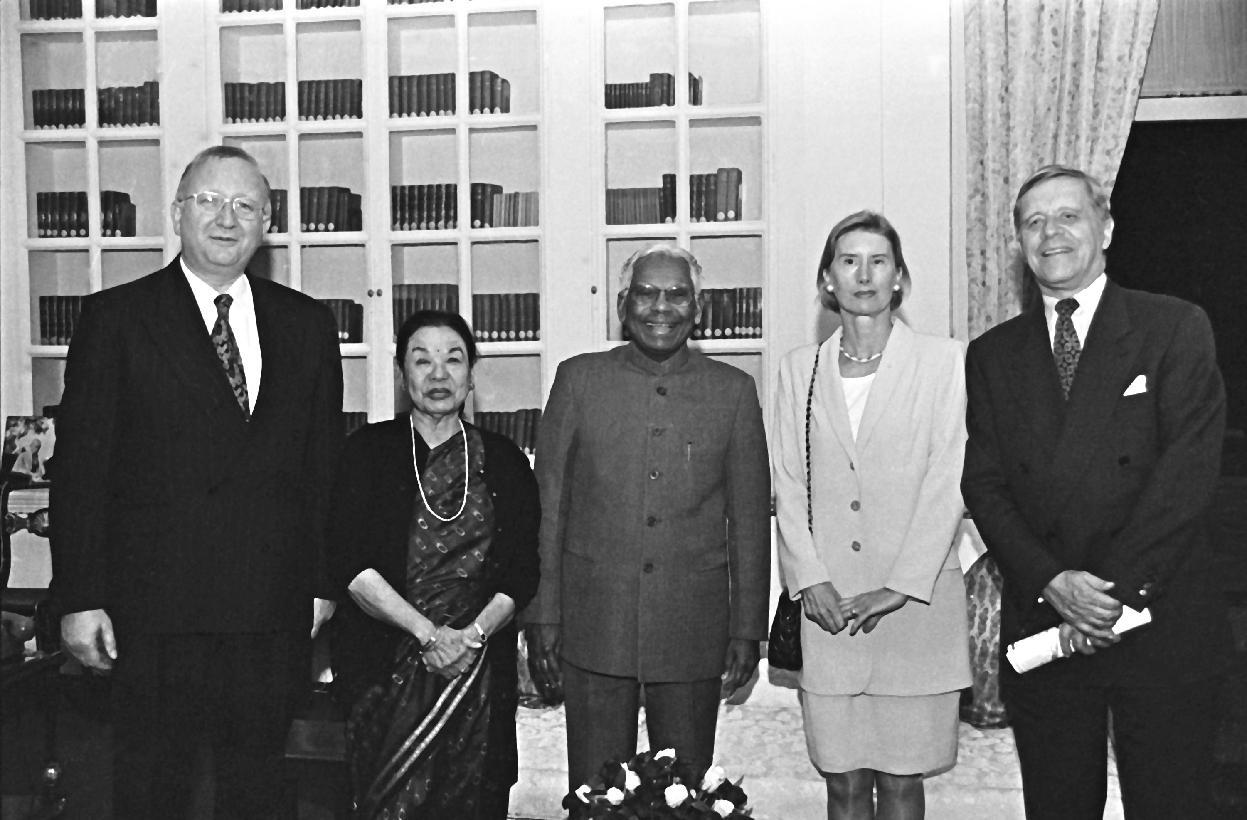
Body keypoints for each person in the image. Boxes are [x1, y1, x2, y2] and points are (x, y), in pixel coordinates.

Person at [50, 145, 344, 818]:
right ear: (177, 213)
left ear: (267, 223)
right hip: (154, 614)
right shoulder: (116, 319)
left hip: (268, 611)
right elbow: (82, 472)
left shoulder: (306, 324)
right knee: (153, 793)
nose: (225, 219)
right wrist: (80, 597)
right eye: (208, 201)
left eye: (245, 205)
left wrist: (323, 582)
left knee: (258, 795)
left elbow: (322, 465)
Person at [962, 165, 1229, 820]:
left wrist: (1105, 599)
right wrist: (1054, 583)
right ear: (1019, 244)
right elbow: (984, 485)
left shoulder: (1173, 327)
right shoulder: (992, 355)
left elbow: (1186, 476)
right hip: (1047, 624)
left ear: (1105, 228)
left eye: (1067, 216)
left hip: (1157, 619)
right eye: (1033, 222)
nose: (1050, 233)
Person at [523, 244, 771, 793]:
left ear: (698, 308)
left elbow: (750, 520)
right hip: (594, 624)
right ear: (622, 305)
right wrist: (543, 615)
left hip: (693, 629)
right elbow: (549, 507)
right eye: (646, 293)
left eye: (678, 294)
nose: (662, 307)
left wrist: (747, 629)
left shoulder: (733, 391)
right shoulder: (578, 380)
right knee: (595, 794)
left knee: (686, 796)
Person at [773, 211, 971, 819]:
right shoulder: (798, 369)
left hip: (917, 612)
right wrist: (809, 578)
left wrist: (899, 586)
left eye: (878, 261)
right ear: (827, 280)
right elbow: (788, 482)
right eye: (849, 261)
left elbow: (950, 480)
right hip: (829, 613)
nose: (864, 275)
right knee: (844, 785)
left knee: (904, 784)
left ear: (899, 278)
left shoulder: (946, 362)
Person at [327, 310, 540, 820]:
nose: (438, 374)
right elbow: (348, 563)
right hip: (384, 672)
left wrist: (469, 638)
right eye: (422, 360)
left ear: (472, 374)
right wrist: (427, 635)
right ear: (403, 374)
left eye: (454, 359)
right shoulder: (365, 452)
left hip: (478, 673)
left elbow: (522, 571)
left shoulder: (505, 459)